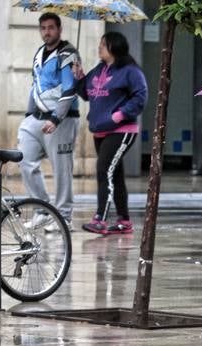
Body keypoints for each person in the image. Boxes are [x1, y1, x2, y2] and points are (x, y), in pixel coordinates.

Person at [74, 32, 147, 236]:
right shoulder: (100, 69)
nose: (99, 47)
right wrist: (79, 76)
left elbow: (141, 96)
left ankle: (100, 219)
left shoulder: (130, 71)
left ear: (114, 47)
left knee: (103, 170)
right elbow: (87, 94)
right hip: (100, 130)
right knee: (115, 174)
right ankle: (124, 221)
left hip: (121, 130)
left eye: (103, 44)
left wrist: (120, 115)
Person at [17, 13, 80, 231]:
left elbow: (70, 89)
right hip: (36, 118)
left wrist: (56, 118)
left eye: (51, 27)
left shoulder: (68, 53)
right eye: (43, 28)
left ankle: (64, 217)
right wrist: (29, 114)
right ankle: (42, 210)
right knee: (24, 159)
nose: (46, 32)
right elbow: (35, 85)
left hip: (62, 120)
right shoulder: (39, 53)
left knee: (62, 169)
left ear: (59, 29)